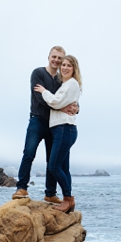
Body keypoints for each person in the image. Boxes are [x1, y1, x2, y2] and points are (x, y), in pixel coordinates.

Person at [12, 46, 78, 200]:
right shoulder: (38, 73)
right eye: (54, 57)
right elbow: (40, 98)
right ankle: (21, 188)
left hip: (54, 125)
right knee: (29, 153)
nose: (56, 60)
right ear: (48, 57)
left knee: (52, 160)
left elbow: (67, 98)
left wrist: (76, 107)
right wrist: (63, 107)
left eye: (59, 58)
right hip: (37, 120)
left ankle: (50, 194)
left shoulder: (62, 79)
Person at [34, 55, 81, 213]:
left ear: (74, 69)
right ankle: (68, 201)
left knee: (54, 166)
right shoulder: (65, 84)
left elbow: (55, 102)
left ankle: (68, 199)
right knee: (63, 167)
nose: (65, 68)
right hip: (60, 129)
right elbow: (61, 102)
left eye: (69, 65)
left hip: (64, 128)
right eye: (64, 65)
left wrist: (44, 91)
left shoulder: (72, 84)